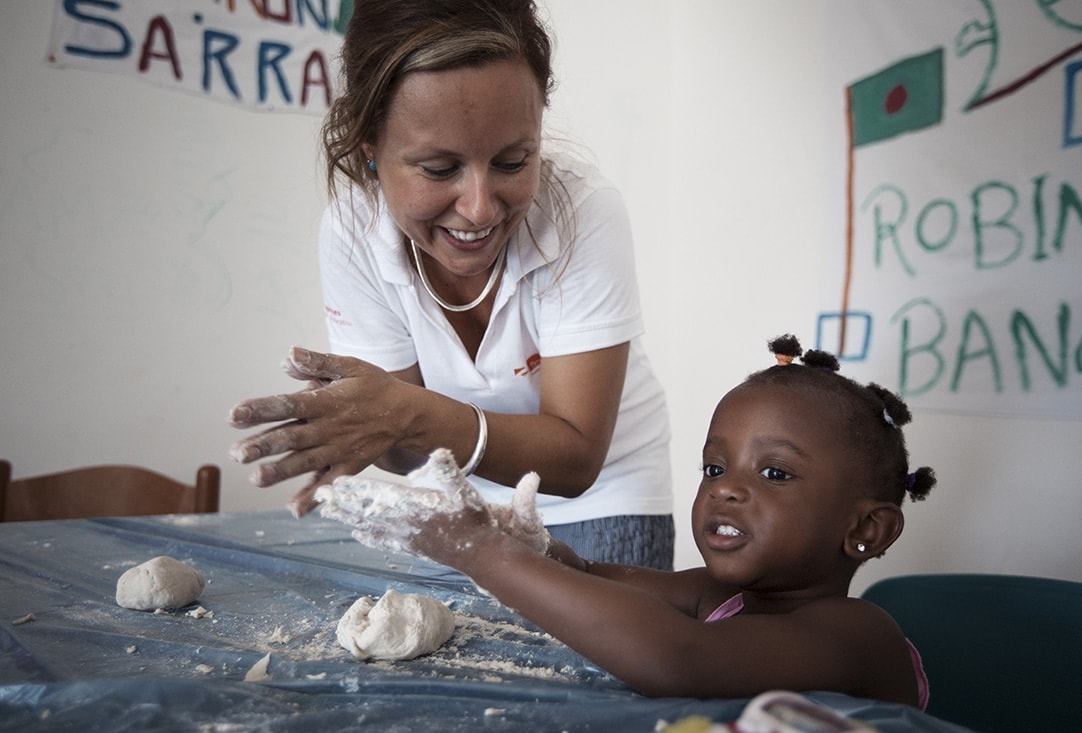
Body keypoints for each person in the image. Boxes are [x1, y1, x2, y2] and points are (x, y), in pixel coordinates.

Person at [227, 0, 674, 568]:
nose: (480, 207)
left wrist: (401, 413)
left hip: (604, 499)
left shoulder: (583, 213)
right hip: (454, 499)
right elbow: (398, 452)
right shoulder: (352, 229)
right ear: (370, 151)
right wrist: (370, 422)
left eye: (514, 161)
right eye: (439, 170)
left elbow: (576, 458)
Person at [316, 334, 938, 707]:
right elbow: (594, 577)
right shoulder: (718, 595)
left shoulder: (860, 635)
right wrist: (529, 546)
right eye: (714, 470)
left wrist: (478, 552)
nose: (726, 493)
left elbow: (681, 663)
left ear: (868, 530)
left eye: (774, 474)